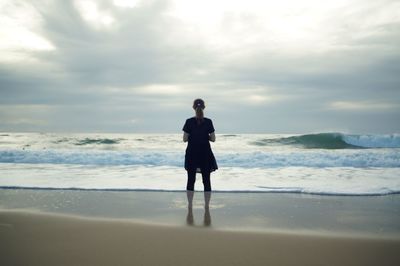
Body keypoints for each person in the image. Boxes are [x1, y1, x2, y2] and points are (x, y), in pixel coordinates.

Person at [182, 98, 218, 192]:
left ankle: (189, 205)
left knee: (190, 180)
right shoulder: (208, 121)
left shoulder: (189, 121)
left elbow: (185, 139)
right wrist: (205, 137)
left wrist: (193, 136)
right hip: (205, 153)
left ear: (193, 107)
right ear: (204, 107)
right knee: (206, 181)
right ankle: (207, 206)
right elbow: (213, 139)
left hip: (191, 153)